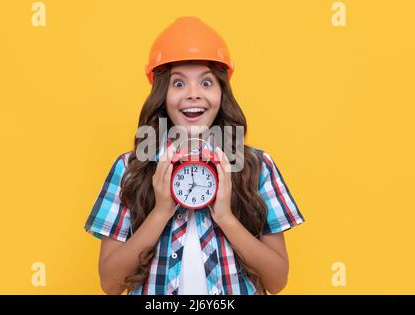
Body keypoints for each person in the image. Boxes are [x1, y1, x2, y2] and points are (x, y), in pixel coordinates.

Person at [84, 16, 305, 295]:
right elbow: (111, 283)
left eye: (206, 83)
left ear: (222, 92)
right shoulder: (130, 168)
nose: (192, 95)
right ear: (161, 94)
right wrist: (162, 210)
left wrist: (225, 217)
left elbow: (277, 281)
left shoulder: (257, 166)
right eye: (178, 84)